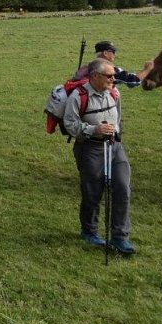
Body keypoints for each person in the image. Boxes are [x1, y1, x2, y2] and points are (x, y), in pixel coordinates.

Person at [63, 58, 136, 254]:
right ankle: (90, 231)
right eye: (109, 76)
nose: (113, 79)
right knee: (92, 192)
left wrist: (114, 132)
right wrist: (94, 129)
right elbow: (70, 124)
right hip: (90, 149)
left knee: (122, 188)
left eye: (114, 75)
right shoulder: (78, 96)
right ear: (94, 76)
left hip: (114, 147)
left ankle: (120, 237)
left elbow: (118, 116)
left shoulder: (114, 92)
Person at [75, 40, 154, 87]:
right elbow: (133, 81)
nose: (115, 54)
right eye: (113, 52)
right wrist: (148, 69)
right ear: (105, 53)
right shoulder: (109, 70)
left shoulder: (86, 67)